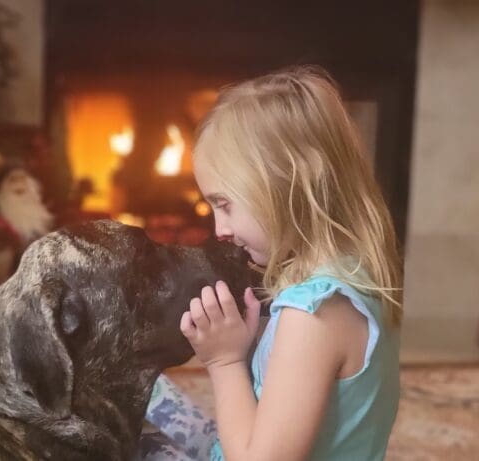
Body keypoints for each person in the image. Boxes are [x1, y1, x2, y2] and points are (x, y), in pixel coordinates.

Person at [140, 66, 403, 461]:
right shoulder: (347, 279)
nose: (219, 229)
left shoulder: (314, 314)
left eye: (224, 204)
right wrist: (254, 343)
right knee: (147, 393)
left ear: (290, 185)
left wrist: (225, 361)